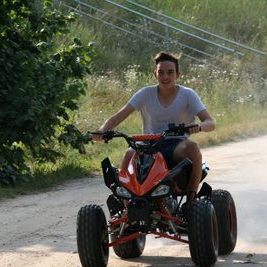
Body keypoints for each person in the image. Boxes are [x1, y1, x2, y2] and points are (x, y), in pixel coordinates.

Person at [92, 51, 215, 207]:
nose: (165, 77)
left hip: (176, 144)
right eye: (161, 72)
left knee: (193, 148)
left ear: (178, 74)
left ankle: (190, 204)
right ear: (155, 74)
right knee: (129, 155)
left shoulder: (188, 95)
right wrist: (102, 130)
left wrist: (199, 127)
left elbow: (210, 122)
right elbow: (119, 116)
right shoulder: (145, 93)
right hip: (149, 145)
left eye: (170, 72)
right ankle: (127, 209)